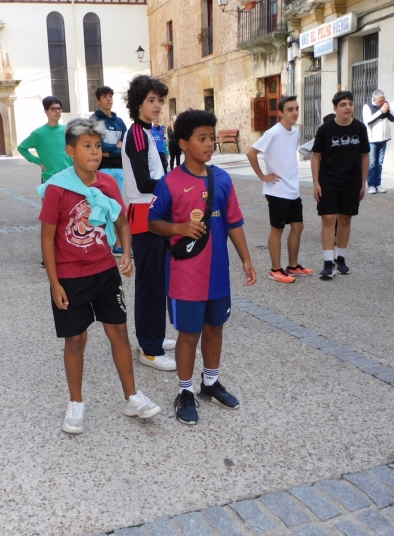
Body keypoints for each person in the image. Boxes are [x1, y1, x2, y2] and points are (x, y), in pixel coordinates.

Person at [38, 118, 161, 434]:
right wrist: (54, 283)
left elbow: (121, 222)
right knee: (76, 339)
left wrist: (127, 253)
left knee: (119, 333)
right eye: (86, 146)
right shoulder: (57, 188)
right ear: (70, 151)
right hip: (70, 277)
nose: (94, 152)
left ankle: (132, 396)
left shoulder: (107, 183)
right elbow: (47, 238)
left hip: (105, 271)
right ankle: (76, 403)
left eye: (97, 146)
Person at [148, 109, 257, 425]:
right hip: (186, 277)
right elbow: (153, 223)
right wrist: (179, 228)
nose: (209, 144)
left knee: (215, 328)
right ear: (183, 143)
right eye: (202, 138)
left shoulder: (222, 179)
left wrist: (246, 260)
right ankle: (184, 391)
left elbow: (234, 221)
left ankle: (210, 382)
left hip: (217, 275)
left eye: (211, 137)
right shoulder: (170, 183)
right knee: (189, 334)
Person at [122, 75, 176, 371]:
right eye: (151, 100)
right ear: (138, 104)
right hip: (145, 215)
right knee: (150, 285)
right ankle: (150, 349)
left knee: (156, 283)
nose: (157, 106)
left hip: (151, 212)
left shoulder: (146, 131)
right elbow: (144, 182)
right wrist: (175, 186)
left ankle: (153, 337)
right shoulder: (138, 134)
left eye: (159, 100)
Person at [247, 95, 313, 284]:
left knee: (298, 226)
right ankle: (275, 270)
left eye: (297, 108)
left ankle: (293, 266)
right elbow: (251, 153)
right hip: (276, 190)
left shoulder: (295, 132)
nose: (295, 112)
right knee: (277, 230)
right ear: (281, 112)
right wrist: (262, 176)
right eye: (290, 109)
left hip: (292, 189)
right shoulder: (273, 132)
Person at [311, 91, 370, 279]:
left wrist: (363, 182)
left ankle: (341, 259)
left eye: (350, 103)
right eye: (343, 104)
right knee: (328, 218)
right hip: (328, 180)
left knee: (345, 219)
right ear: (335, 108)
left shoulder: (360, 128)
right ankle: (328, 262)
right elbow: (315, 156)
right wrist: (315, 182)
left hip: (352, 181)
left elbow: (365, 155)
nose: (348, 107)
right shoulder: (325, 130)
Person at [91, 86, 128, 257]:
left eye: (111, 96)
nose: (109, 99)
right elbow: (98, 145)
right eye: (105, 96)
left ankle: (118, 244)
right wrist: (115, 147)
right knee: (103, 207)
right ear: (98, 100)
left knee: (118, 207)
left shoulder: (119, 121)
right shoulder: (94, 120)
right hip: (103, 168)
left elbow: (126, 144)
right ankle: (104, 243)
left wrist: (110, 149)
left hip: (119, 169)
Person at [18, 96, 72, 185]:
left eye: (59, 108)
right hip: (50, 178)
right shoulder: (38, 134)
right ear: (46, 111)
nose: (57, 111)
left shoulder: (67, 130)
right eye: (53, 109)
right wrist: (38, 161)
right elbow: (21, 148)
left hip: (69, 175)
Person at [362, 90, 394, 194]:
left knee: (380, 163)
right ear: (374, 99)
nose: (383, 102)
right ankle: (371, 185)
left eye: (384, 99)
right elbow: (368, 121)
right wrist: (381, 111)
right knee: (372, 163)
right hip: (372, 139)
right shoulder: (367, 107)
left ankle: (378, 184)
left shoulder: (385, 106)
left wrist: (388, 110)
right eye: (380, 100)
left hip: (383, 138)